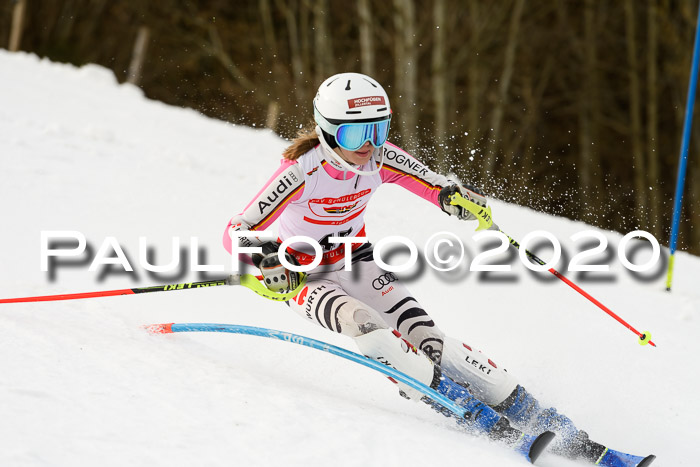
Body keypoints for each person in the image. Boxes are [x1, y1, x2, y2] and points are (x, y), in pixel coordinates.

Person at [223, 73, 652, 466]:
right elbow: (235, 231)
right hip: (305, 274)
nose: (370, 144)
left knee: (427, 336)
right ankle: (471, 413)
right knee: (365, 324)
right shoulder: (301, 172)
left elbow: (434, 185)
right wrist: (263, 260)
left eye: (379, 129)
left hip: (356, 261)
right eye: (358, 133)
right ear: (329, 131)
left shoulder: (380, 158)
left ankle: (554, 424)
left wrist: (457, 200)